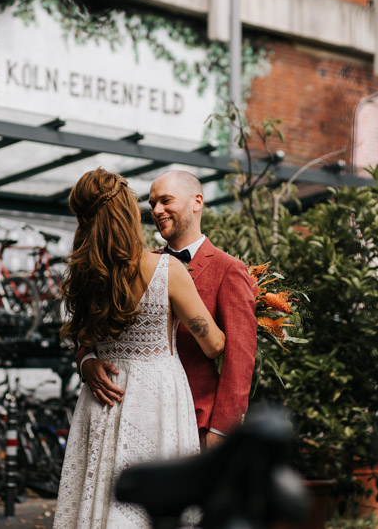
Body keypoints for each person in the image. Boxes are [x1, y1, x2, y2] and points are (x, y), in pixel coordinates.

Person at [54, 168, 225, 528]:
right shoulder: (167, 270)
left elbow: (82, 341)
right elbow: (212, 344)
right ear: (128, 213)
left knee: (101, 496)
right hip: (156, 398)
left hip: (103, 400)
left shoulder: (83, 275)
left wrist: (86, 362)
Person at [78, 170, 257, 449]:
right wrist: (85, 360)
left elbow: (240, 361)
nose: (156, 210)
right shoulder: (136, 266)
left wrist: (222, 431)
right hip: (128, 414)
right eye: (151, 204)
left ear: (197, 201)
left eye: (165, 201)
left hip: (196, 422)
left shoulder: (229, 270)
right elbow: (93, 325)